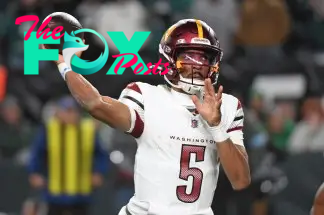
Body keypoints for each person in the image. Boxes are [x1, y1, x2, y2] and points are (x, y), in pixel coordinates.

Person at [43, 19, 251, 215]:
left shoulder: (228, 106)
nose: (197, 65)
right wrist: (63, 64)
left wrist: (216, 126)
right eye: (188, 57)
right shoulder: (146, 96)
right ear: (170, 58)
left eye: (204, 57)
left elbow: (240, 180)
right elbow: (95, 104)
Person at [28, 96, 108, 215]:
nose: (70, 115)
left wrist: (98, 172)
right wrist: (34, 173)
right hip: (54, 190)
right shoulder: (49, 129)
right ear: (59, 112)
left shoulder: (88, 129)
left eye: (73, 111)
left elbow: (102, 155)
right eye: (67, 111)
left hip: (81, 190)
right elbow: (36, 154)